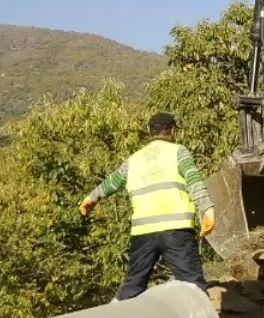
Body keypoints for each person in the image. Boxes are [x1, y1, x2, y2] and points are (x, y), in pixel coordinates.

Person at [79, 112, 216, 301]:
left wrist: (91, 198)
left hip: (143, 233)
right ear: (172, 131)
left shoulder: (134, 159)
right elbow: (193, 179)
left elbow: (112, 182)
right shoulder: (178, 151)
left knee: (132, 286)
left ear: (150, 132)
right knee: (193, 286)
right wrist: (207, 208)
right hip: (176, 230)